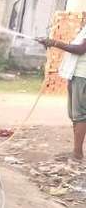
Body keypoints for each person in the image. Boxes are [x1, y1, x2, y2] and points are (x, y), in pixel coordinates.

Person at [39, 28, 86, 160]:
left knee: (80, 116)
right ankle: (76, 151)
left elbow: (80, 49)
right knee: (74, 115)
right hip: (75, 74)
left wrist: (55, 43)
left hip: (83, 75)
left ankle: (77, 154)